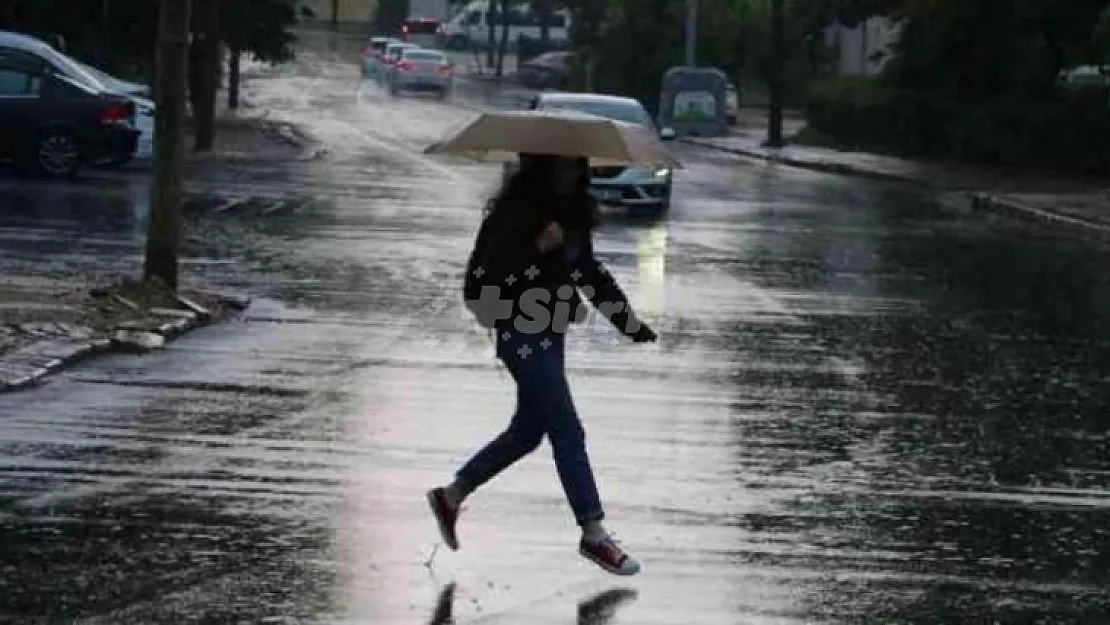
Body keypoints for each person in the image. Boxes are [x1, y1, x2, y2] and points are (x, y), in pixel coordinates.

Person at [427, 153, 658, 576]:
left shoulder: (572, 214)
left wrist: (629, 323)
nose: (571, 174)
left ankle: (451, 495)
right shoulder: (513, 212)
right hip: (518, 332)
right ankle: (593, 531)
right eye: (562, 166)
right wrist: (536, 248)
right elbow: (489, 278)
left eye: (577, 166)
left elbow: (589, 273)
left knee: (528, 432)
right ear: (542, 167)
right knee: (567, 427)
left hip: (550, 334)